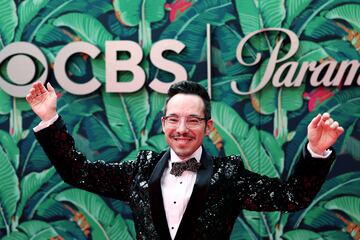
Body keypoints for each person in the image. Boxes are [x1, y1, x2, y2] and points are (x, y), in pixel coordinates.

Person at [26, 80, 344, 240]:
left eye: (193, 120)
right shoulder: (140, 170)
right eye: (174, 119)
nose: (182, 129)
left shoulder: (229, 175)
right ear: (163, 123)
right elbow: (78, 172)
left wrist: (315, 153)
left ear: (208, 127)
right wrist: (50, 118)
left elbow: (291, 196)